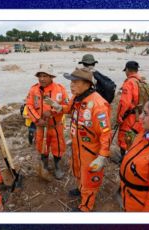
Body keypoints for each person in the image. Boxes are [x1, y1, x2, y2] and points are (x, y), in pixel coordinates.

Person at [46, 68, 112, 212]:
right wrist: (57, 106)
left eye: (75, 82)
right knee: (77, 170)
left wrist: (102, 156)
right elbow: (68, 109)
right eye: (71, 81)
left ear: (87, 84)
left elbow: (105, 133)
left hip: (90, 150)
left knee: (89, 177)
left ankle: (86, 207)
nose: (71, 85)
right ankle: (80, 188)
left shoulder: (97, 104)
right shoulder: (77, 98)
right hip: (78, 146)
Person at [25, 64, 69, 180]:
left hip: (56, 126)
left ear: (51, 77)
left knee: (58, 147)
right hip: (40, 126)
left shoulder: (60, 89)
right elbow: (29, 106)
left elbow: (67, 105)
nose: (42, 79)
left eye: (45, 76)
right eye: (40, 76)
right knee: (42, 146)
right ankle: (44, 165)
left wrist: (53, 111)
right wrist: (37, 119)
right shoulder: (34, 89)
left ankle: (57, 166)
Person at [116, 61, 144, 161]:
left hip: (130, 117)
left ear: (127, 70)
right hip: (140, 116)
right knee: (135, 138)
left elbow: (124, 103)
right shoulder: (141, 81)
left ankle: (124, 161)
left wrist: (119, 116)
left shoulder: (129, 83)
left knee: (124, 138)